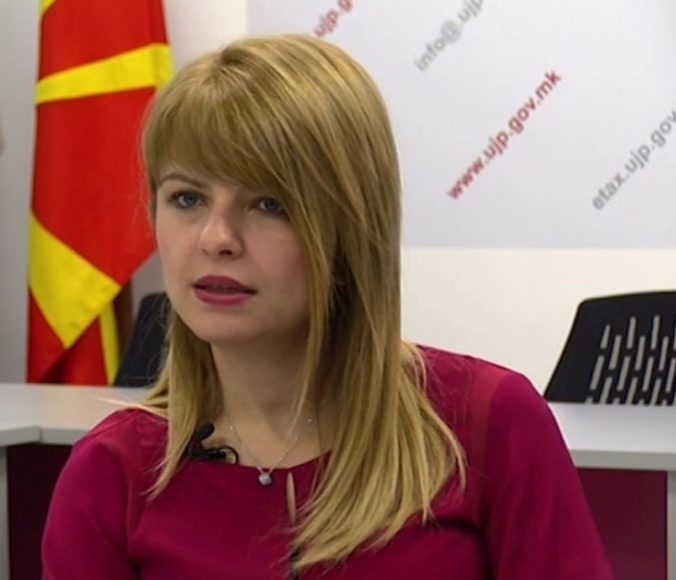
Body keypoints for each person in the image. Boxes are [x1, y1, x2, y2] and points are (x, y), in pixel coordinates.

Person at [41, 34, 613, 579]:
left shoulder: (486, 424)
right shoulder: (114, 470)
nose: (216, 238)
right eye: (187, 198)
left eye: (269, 204)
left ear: (350, 226)